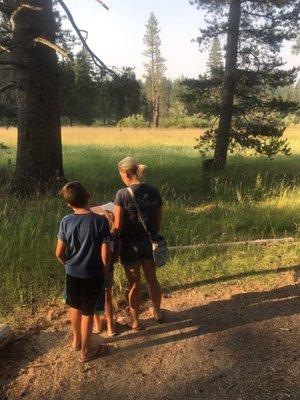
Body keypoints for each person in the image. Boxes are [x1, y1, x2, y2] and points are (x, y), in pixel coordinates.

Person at [55, 181, 111, 363]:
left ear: (69, 204)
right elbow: (104, 253)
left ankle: (76, 341)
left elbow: (58, 253)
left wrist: (68, 265)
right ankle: (86, 351)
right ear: (88, 195)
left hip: (72, 272)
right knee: (88, 310)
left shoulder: (65, 221)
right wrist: (105, 272)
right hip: (92, 273)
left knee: (75, 306)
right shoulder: (100, 221)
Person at [114, 156, 163, 331]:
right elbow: (157, 219)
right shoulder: (154, 191)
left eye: (120, 174)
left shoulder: (122, 194)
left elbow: (118, 226)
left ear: (126, 173)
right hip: (149, 243)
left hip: (130, 246)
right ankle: (157, 312)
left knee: (134, 284)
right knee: (152, 280)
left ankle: (135, 321)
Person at [92, 209, 119, 337]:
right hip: (109, 270)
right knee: (108, 299)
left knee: (95, 299)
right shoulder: (114, 237)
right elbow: (115, 255)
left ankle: (97, 326)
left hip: (95, 270)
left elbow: (104, 254)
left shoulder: (97, 236)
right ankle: (110, 327)